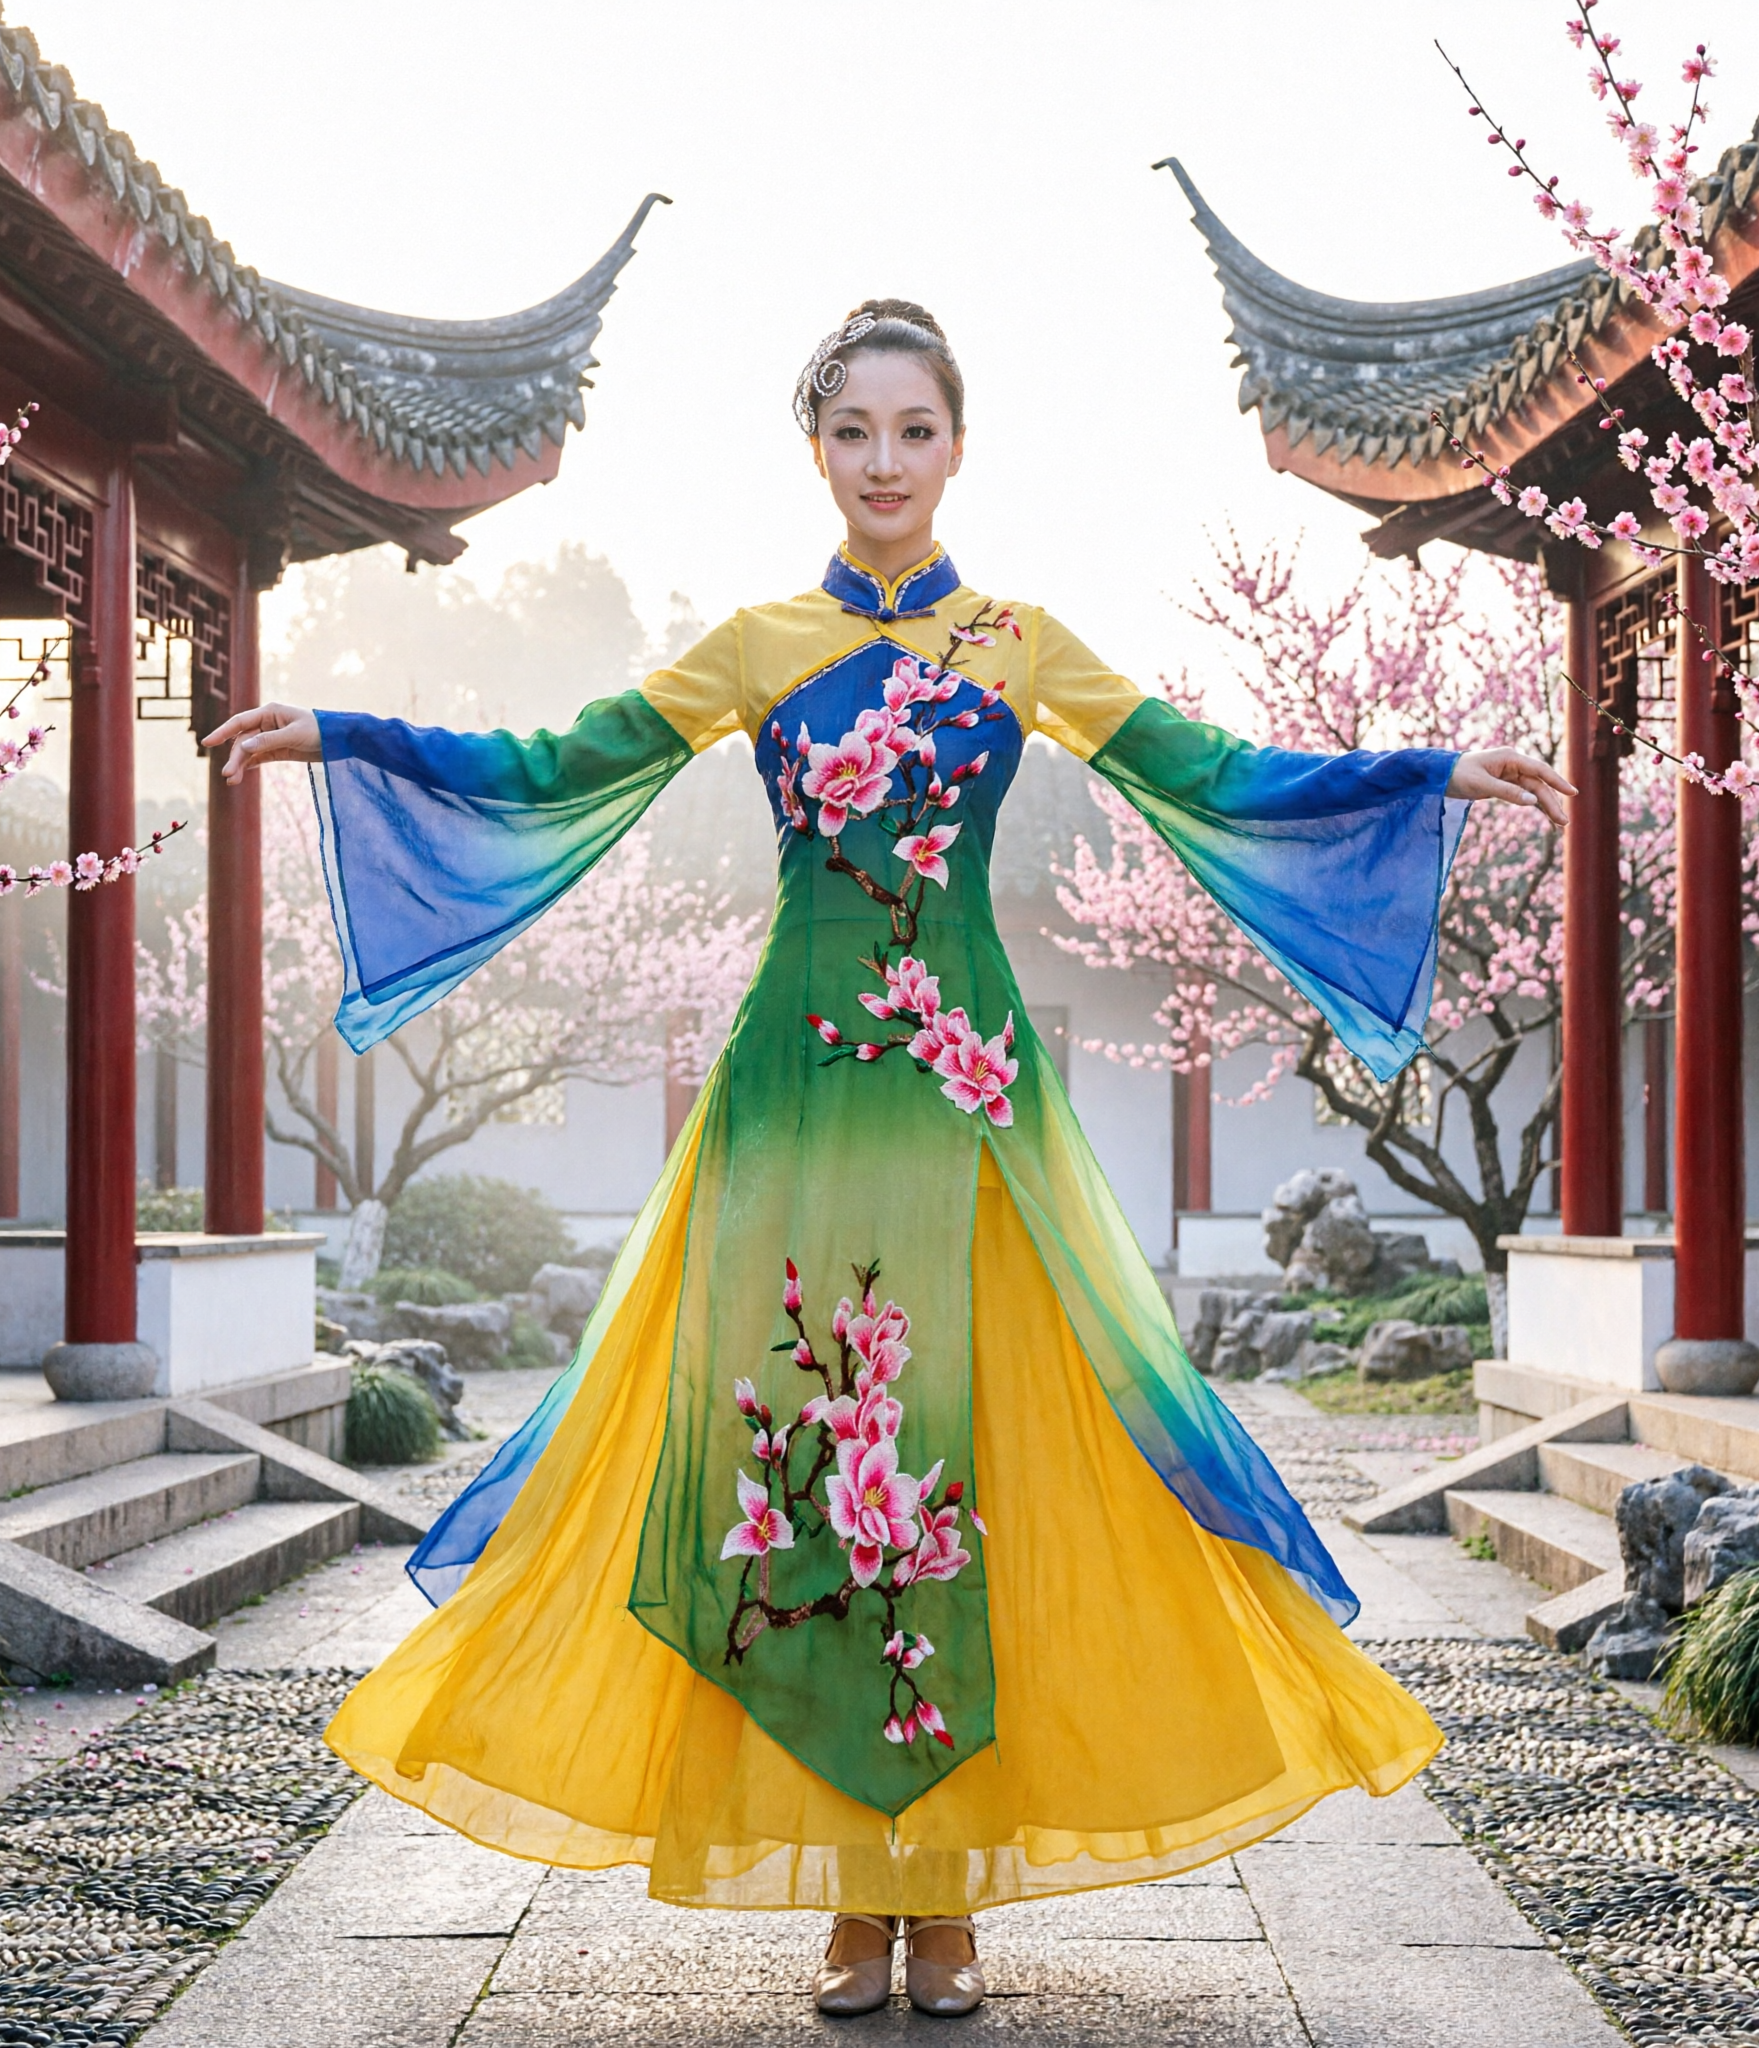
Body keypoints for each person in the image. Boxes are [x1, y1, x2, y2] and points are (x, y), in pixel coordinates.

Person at [207, 297, 1571, 2020]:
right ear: (814, 448)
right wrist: (353, 738)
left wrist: (1429, 766)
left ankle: (954, 1895)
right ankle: (859, 1899)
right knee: (804, 1454)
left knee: (963, 1458)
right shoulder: (760, 644)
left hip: (968, 1089)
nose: (883, 462)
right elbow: (559, 765)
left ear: (956, 446)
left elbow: (1211, 770)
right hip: (796, 1088)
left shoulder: (1018, 642)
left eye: (912, 429)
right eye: (852, 430)